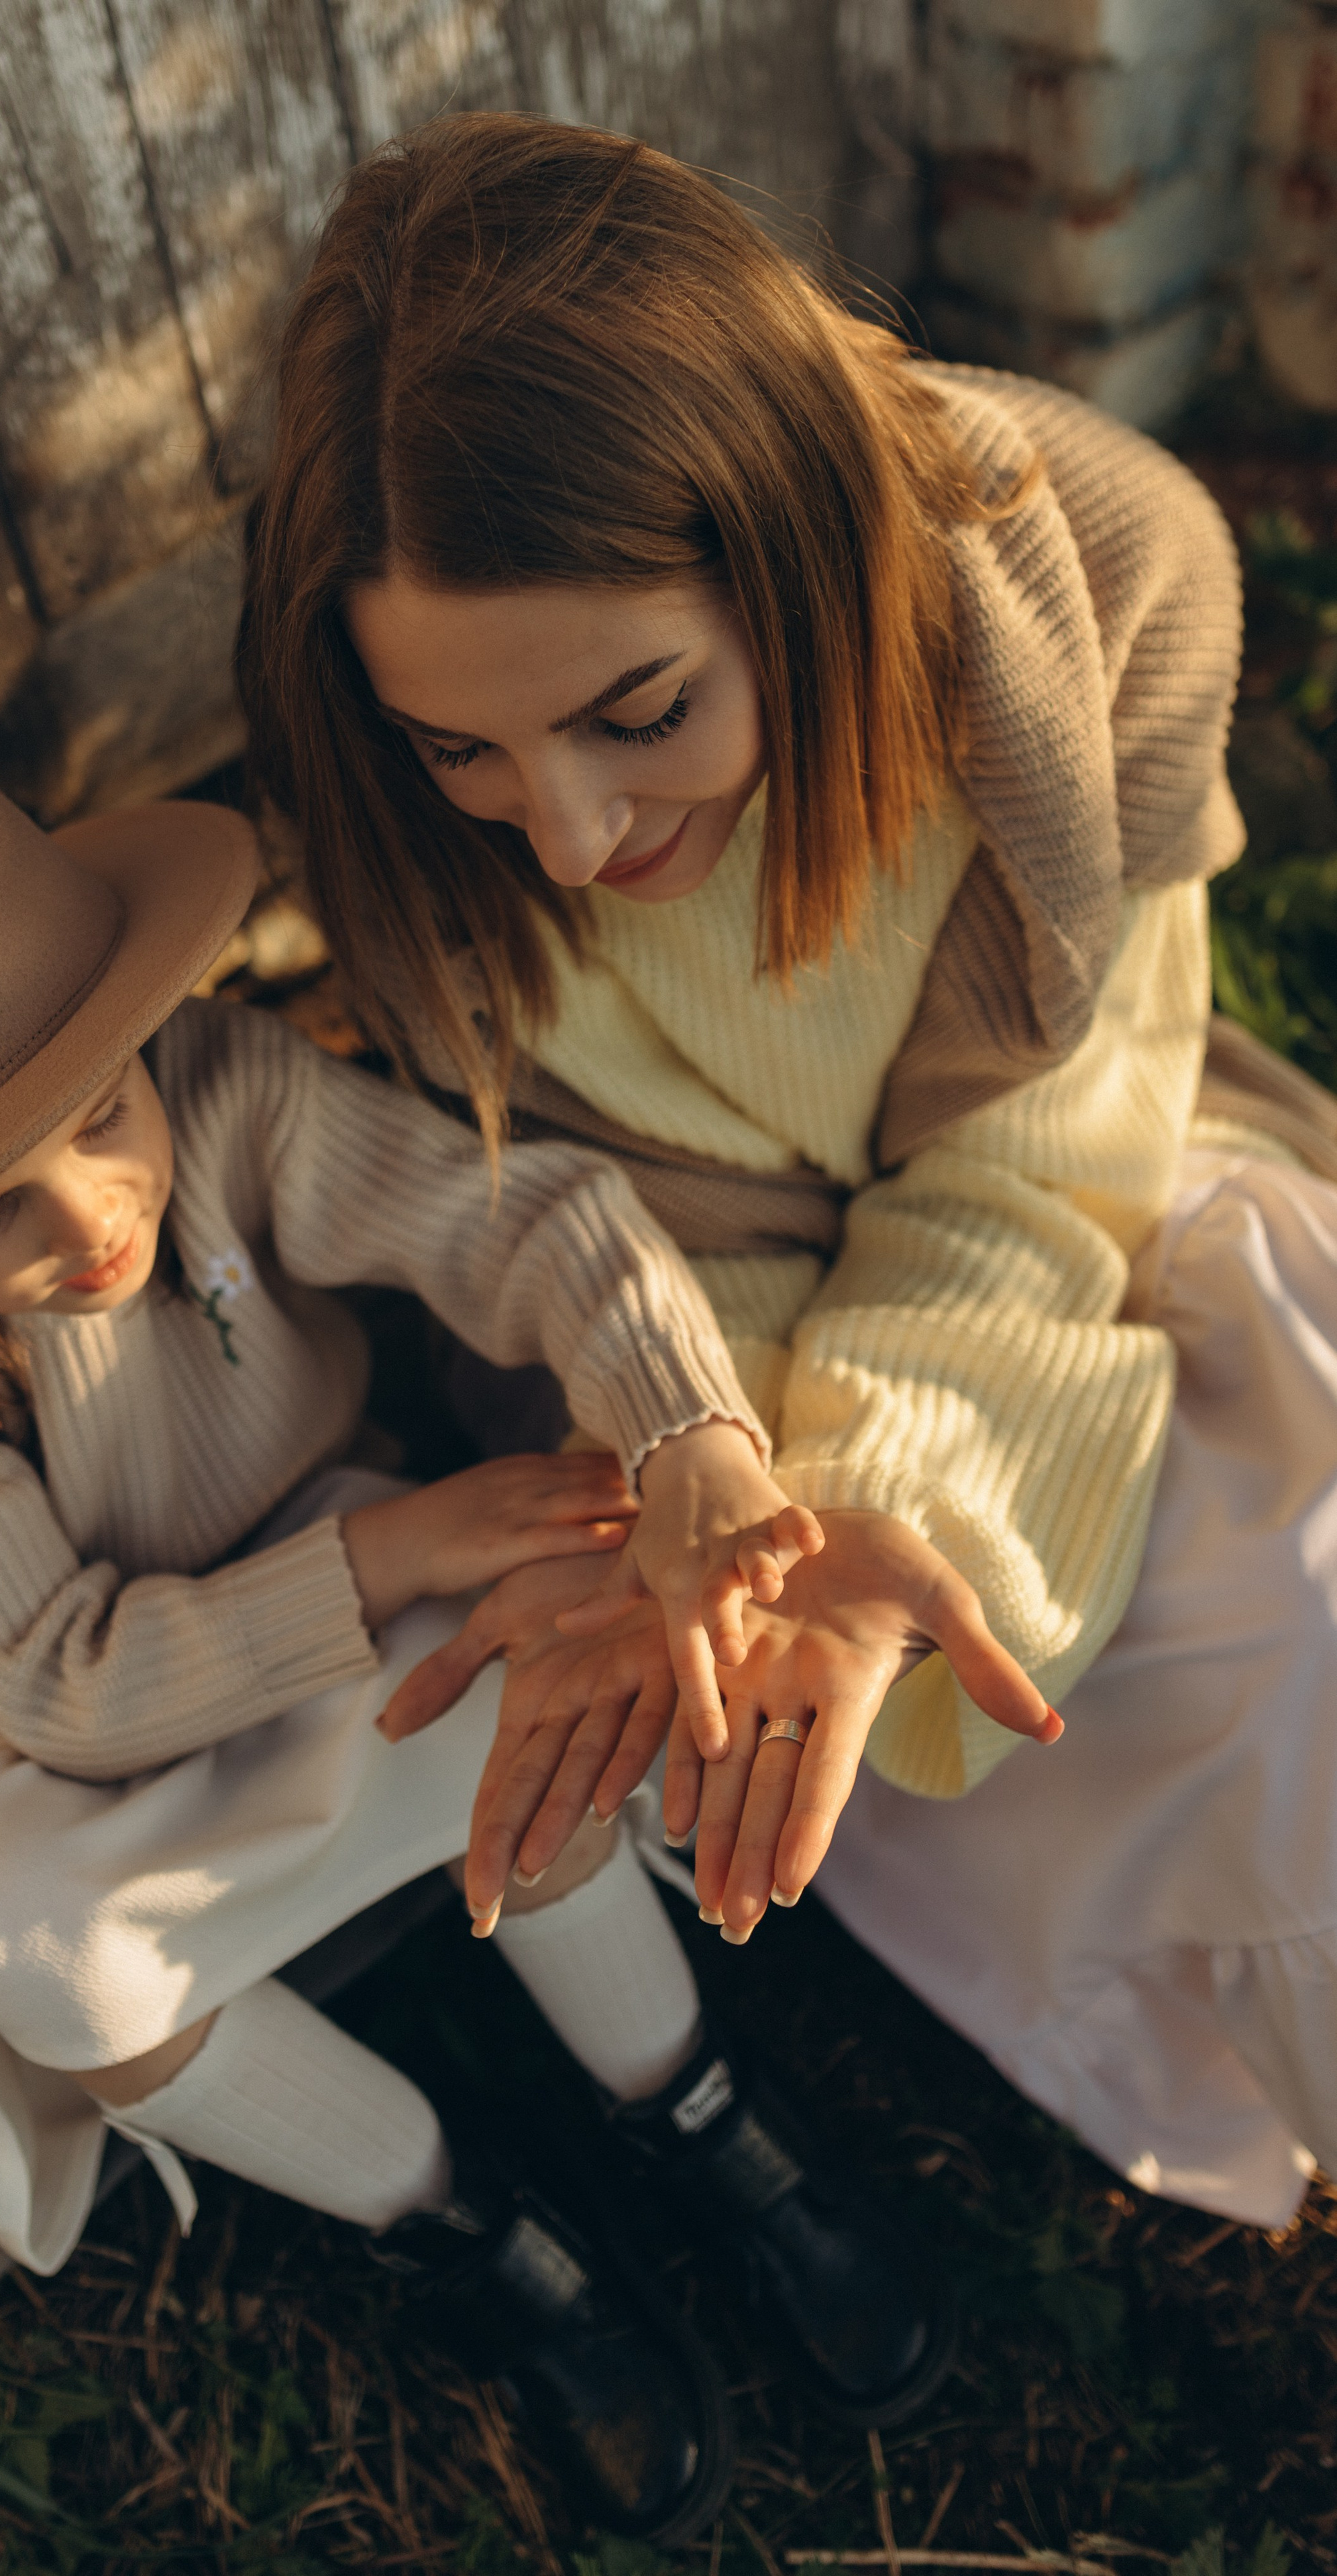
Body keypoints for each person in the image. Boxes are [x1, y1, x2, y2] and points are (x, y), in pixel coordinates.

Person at [0, 705, 1051, 2532]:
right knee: (61, 1980)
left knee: (520, 1708)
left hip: (318, 1531)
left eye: (102, 1117)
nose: (98, 1213)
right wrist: (392, 1555)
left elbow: (529, 1220)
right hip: (26, 1707)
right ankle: (455, 2218)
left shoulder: (220, 1085)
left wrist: (684, 1421)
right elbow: (59, 1675)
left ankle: (687, 2098)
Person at [235, 111, 1337, 2235]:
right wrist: (747, 1497)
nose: (556, 835)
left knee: (1283, 1568)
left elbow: (1062, 1137)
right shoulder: (402, 825)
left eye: (636, 710)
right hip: (685, 1363)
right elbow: (603, 1237)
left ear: (803, 558)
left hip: (1084, 1194)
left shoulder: (1099, 578)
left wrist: (898, 1488)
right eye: (463, 749)